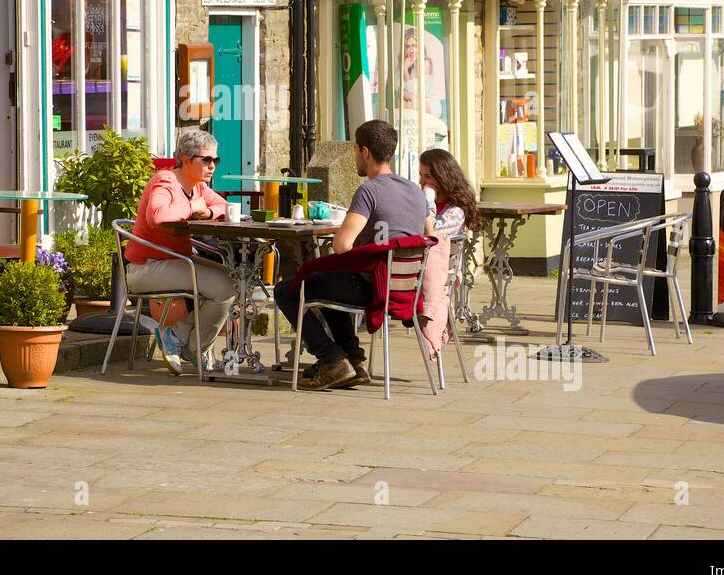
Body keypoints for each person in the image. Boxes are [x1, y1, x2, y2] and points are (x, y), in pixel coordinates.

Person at [274, 119, 435, 390]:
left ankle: (332, 359)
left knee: (286, 290)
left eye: (355, 152)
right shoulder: (414, 191)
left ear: (365, 152)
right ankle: (354, 361)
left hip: (375, 288)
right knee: (329, 282)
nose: (355, 159)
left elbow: (341, 245)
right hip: (406, 289)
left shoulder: (369, 190)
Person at [124, 130, 235, 375]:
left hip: (174, 261)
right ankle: (185, 341)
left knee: (234, 281)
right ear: (185, 160)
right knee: (224, 287)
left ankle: (184, 340)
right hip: (146, 267)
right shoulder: (165, 180)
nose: (212, 166)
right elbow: (158, 215)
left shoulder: (197, 186)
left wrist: (206, 212)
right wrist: (192, 207)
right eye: (206, 160)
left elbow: (223, 206)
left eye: (215, 160)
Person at [417, 148, 481, 355]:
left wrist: (426, 201)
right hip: (415, 268)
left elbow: (431, 234)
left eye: (428, 176)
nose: (422, 181)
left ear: (442, 176)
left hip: (434, 277)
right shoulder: (427, 202)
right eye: (420, 175)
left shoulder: (455, 211)